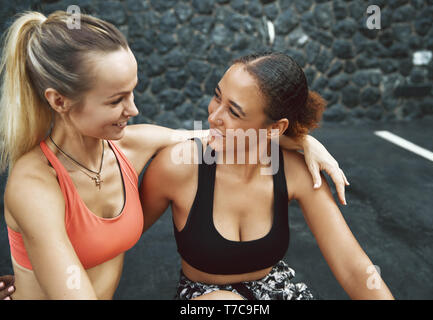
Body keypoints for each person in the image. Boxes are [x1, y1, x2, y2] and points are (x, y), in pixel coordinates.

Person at [0, 11, 348, 300]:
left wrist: (301, 141)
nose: (134, 109)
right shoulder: (34, 185)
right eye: (115, 100)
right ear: (59, 101)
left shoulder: (132, 147)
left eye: (132, 92)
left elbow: (232, 136)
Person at [139, 52, 395, 300]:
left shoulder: (295, 172)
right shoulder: (178, 167)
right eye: (217, 97)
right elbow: (118, 239)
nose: (214, 116)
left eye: (234, 112)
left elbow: (353, 266)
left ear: (275, 128)